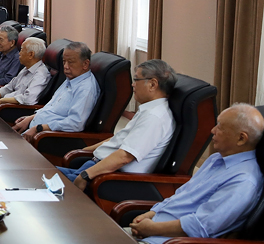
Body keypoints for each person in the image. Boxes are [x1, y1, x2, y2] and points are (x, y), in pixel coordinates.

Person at [126, 103, 264, 244]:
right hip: (152, 230)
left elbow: (201, 226)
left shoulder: (244, 181)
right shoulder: (216, 159)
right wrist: (152, 213)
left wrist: (152, 229)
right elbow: (182, 194)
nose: (213, 130)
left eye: (220, 127)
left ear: (241, 138)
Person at [58, 59, 177, 190]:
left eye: (136, 80)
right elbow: (118, 139)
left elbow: (124, 157)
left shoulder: (154, 117)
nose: (132, 84)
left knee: (43, 179)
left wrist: (85, 176)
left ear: (152, 84)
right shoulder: (149, 110)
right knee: (44, 172)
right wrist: (84, 151)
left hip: (107, 178)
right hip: (96, 167)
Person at [13, 41, 100, 141]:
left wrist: (39, 128)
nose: (66, 66)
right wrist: (30, 118)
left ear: (85, 64)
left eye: (70, 62)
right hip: (34, 130)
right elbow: (52, 108)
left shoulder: (85, 89)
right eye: (64, 61)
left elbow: (75, 123)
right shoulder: (71, 79)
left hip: (48, 138)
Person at [0, 37, 50, 109]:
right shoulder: (27, 68)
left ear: (31, 54)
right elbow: (10, 86)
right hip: (6, 103)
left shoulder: (41, 75)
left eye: (22, 50)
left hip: (16, 109)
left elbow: (28, 99)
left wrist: (2, 100)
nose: (19, 53)